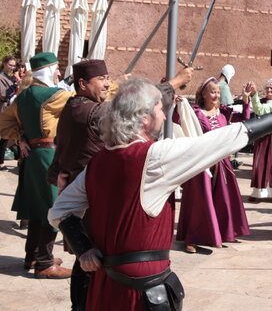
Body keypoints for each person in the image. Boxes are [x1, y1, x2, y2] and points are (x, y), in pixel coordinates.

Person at [48, 77, 272, 310]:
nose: (163, 115)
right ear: (145, 118)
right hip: (139, 296)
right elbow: (217, 142)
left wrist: (84, 249)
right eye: (160, 109)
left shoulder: (98, 161)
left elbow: (60, 211)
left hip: (104, 288)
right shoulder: (155, 157)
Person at [50, 59, 191, 308]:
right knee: (97, 271)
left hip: (90, 198)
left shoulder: (70, 108)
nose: (108, 83)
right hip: (102, 203)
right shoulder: (94, 112)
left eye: (108, 77)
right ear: (82, 84)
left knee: (90, 266)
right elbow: (135, 111)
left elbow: (60, 153)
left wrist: (59, 174)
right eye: (101, 79)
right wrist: (173, 84)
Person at [0, 52, 74, 278]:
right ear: (48, 71)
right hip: (47, 156)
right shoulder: (56, 95)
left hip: (31, 157)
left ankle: (33, 255)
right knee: (52, 207)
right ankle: (44, 263)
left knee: (37, 208)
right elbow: (84, 101)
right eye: (57, 68)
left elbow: (3, 122)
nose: (59, 73)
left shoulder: (23, 95)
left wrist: (21, 137)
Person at [177, 77, 251, 252]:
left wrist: (246, 98)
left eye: (218, 92)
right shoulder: (195, 112)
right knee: (198, 201)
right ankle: (192, 239)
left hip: (222, 163)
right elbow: (178, 119)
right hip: (201, 163)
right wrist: (178, 103)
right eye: (213, 92)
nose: (217, 95)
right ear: (203, 94)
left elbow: (244, 118)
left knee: (221, 200)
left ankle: (217, 234)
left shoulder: (224, 113)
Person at [247, 78, 272, 202]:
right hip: (262, 136)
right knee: (259, 163)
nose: (269, 90)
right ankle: (258, 192)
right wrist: (247, 95)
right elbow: (250, 107)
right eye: (267, 88)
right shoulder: (261, 101)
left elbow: (260, 110)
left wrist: (254, 95)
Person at [0, 56, 19, 170]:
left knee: (15, 134)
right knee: (5, 135)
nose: (12, 67)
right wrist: (16, 85)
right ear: (4, 64)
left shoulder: (9, 77)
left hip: (12, 107)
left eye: (14, 65)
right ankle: (1, 163)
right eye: (10, 65)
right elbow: (3, 95)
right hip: (5, 107)